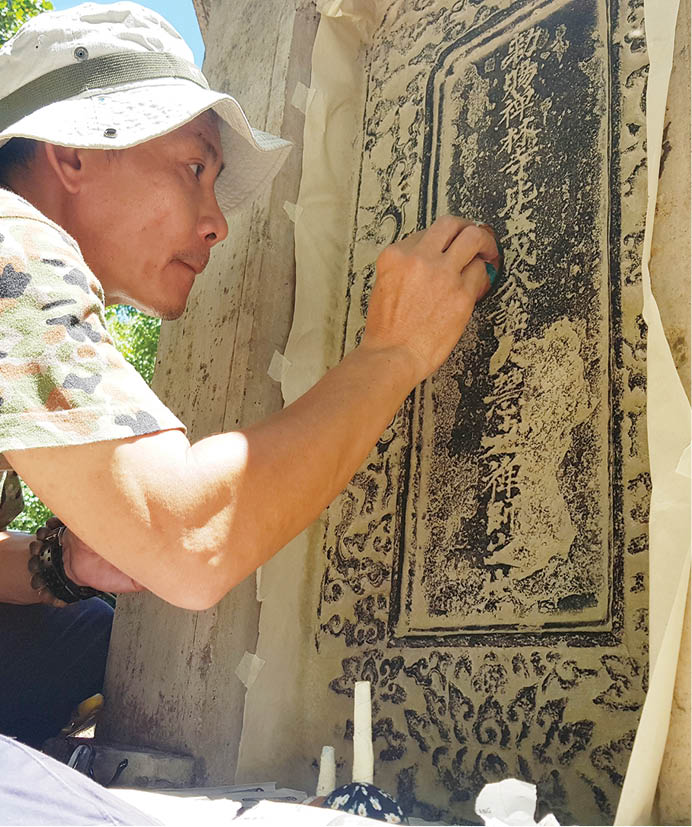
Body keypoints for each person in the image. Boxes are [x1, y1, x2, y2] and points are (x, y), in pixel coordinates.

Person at [0, 2, 500, 823]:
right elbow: (189, 539)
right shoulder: (13, 235)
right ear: (74, 153)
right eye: (194, 167)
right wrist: (393, 353)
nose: (218, 221)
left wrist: (60, 564)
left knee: (90, 630)